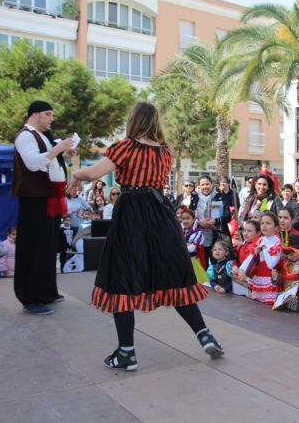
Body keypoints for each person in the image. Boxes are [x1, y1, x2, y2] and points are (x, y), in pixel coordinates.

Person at [68, 101, 223, 370]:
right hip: (160, 213)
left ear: (134, 120)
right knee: (174, 276)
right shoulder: (165, 152)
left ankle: (126, 352)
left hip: (131, 213)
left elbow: (94, 173)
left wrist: (76, 174)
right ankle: (204, 334)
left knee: (122, 277)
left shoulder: (124, 147)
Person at [11, 101, 74, 314]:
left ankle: (46, 290)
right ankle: (30, 297)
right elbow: (32, 163)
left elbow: (49, 162)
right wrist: (58, 148)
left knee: (48, 246)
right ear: (35, 114)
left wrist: (63, 155)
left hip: (49, 197)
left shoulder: (43, 137)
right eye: (48, 114)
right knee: (33, 247)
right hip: (34, 199)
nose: (51, 118)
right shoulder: (25, 136)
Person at [189, 175, 231, 265]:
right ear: (199, 186)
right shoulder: (195, 197)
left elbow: (228, 216)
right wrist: (199, 221)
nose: (205, 187)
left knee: (217, 263)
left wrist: (215, 221)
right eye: (202, 185)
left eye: (207, 184)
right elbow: (190, 215)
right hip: (199, 237)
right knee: (201, 264)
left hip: (217, 236)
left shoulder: (219, 196)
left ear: (212, 184)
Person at [246, 211, 283, 305]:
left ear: (276, 227)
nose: (264, 226)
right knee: (255, 306)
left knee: (267, 307)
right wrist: (242, 269)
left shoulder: (277, 242)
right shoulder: (261, 239)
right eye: (262, 223)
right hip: (257, 278)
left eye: (268, 223)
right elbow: (252, 256)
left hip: (268, 279)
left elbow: (271, 264)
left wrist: (264, 248)